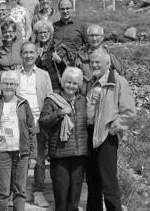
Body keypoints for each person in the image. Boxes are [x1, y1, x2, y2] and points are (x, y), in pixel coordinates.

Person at [85, 50, 136, 211]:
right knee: (92, 180)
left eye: (98, 62)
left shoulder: (118, 82)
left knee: (108, 181)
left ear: (108, 64)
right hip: (90, 133)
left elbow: (129, 112)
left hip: (106, 135)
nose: (94, 65)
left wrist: (116, 127)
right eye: (92, 62)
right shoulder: (91, 82)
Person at [0, 70, 37, 211]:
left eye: (12, 83)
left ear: (16, 85)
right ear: (0, 85)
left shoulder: (23, 104)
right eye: (6, 83)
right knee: (2, 191)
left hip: (21, 154)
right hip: (2, 153)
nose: (9, 86)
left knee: (20, 190)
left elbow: (32, 130)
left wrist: (33, 154)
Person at [39, 67, 89, 211]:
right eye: (68, 82)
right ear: (62, 82)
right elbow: (43, 122)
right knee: (61, 195)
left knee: (74, 196)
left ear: (79, 85)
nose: (71, 86)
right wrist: (59, 113)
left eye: (74, 83)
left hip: (79, 153)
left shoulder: (82, 100)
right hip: (60, 153)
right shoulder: (52, 99)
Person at [18, 42, 53, 207]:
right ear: (21, 54)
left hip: (38, 123)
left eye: (32, 52)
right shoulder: (14, 74)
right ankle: (19, 191)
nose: (29, 55)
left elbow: (49, 99)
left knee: (39, 160)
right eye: (25, 52)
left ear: (36, 54)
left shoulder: (44, 75)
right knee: (20, 158)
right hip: (20, 123)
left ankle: (38, 191)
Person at [53, 0, 87, 67]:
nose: (65, 11)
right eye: (62, 9)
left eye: (67, 8)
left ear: (72, 9)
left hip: (76, 64)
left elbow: (88, 46)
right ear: (59, 10)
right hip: (57, 65)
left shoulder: (81, 26)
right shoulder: (54, 26)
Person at [34, 20, 66, 90]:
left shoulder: (57, 46)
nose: (42, 35)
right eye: (40, 33)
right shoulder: (34, 48)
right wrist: (38, 57)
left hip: (56, 85)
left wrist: (60, 61)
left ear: (50, 32)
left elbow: (67, 69)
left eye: (45, 32)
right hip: (39, 84)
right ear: (37, 34)